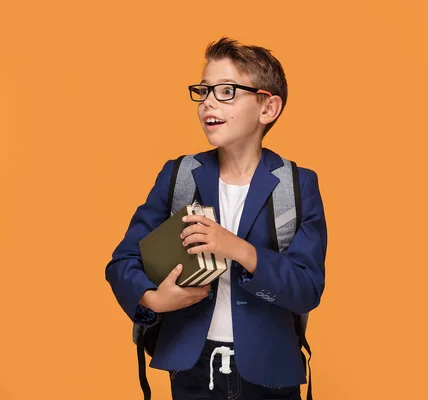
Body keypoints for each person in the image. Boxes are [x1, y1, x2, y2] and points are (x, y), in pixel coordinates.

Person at [105, 37, 327, 400]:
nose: (208, 100)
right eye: (204, 90)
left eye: (227, 91)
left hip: (271, 371)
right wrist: (153, 300)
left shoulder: (298, 184)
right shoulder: (179, 175)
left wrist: (240, 250)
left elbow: (307, 289)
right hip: (191, 367)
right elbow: (122, 262)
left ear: (268, 108)